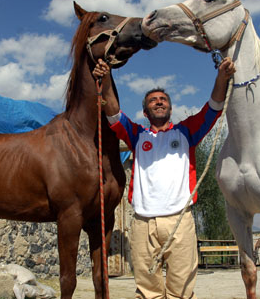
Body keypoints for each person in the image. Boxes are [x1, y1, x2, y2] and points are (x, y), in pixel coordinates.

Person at [93, 57, 236, 299]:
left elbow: (213, 107)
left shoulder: (187, 132)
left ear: (170, 107)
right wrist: (106, 78)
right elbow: (114, 113)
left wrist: (222, 77)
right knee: (148, 292)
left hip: (179, 220)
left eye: (163, 100)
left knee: (181, 290)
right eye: (153, 100)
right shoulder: (136, 135)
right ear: (145, 111)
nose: (159, 102)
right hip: (142, 223)